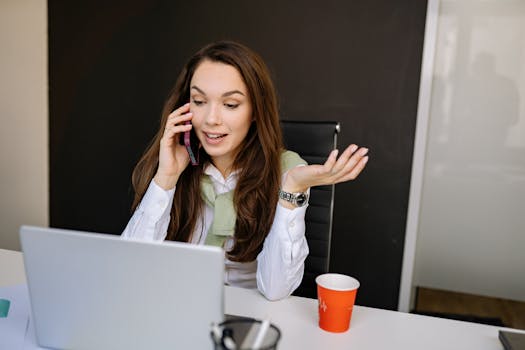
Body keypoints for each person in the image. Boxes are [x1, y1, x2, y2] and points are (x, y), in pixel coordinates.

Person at [122, 41, 369, 300]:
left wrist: (292, 192)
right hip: (179, 303)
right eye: (199, 101)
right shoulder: (178, 160)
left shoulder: (284, 171)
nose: (210, 119)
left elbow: (276, 290)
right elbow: (130, 270)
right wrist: (166, 178)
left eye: (230, 104)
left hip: (249, 314)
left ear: (255, 111)